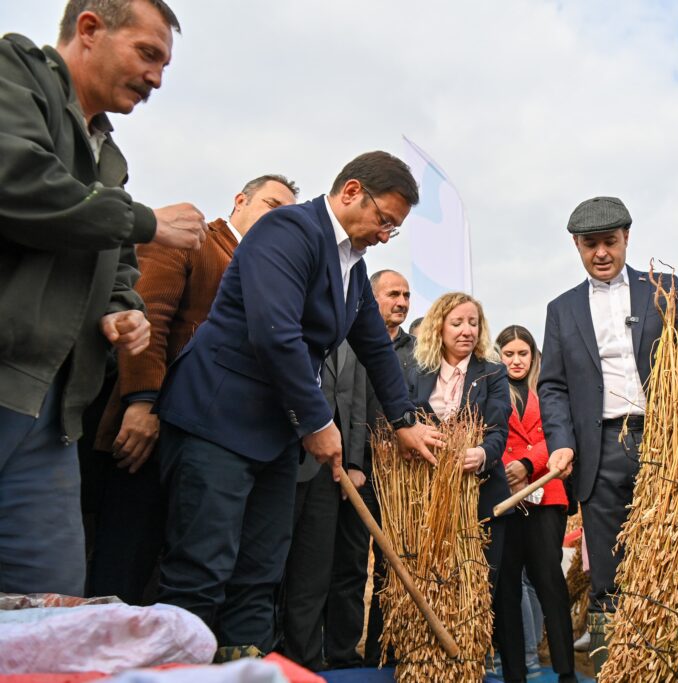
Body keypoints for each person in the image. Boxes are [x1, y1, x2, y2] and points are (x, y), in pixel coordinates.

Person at [154, 151, 442, 660]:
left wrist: (404, 422)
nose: (384, 234)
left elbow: (375, 346)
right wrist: (317, 420)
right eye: (384, 220)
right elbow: (275, 334)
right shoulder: (288, 231)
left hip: (272, 438)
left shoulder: (353, 267)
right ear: (352, 191)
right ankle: (179, 668)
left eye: (393, 229)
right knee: (201, 569)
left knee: (261, 572)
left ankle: (247, 667)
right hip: (218, 420)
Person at [0, 0, 209, 596]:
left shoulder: (108, 159)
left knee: (54, 602)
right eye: (148, 54)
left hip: (56, 411)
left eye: (165, 65)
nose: (156, 79)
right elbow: (16, 181)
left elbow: (117, 266)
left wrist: (126, 311)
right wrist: (147, 222)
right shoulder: (11, 73)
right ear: (89, 29)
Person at [84, 175, 298, 604]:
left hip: (214, 441)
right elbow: (150, 318)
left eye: (288, 214)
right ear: (240, 200)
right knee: (125, 558)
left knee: (184, 565)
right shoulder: (193, 241)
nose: (280, 219)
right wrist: (142, 401)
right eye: (272, 204)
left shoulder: (272, 272)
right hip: (156, 428)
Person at [537, 196, 678, 674]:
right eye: (590, 245)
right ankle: (614, 669)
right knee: (606, 570)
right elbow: (553, 385)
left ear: (627, 238)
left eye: (609, 242)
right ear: (576, 246)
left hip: (667, 444)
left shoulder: (664, 289)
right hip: (599, 448)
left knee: (672, 560)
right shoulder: (561, 309)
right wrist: (562, 440)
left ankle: (675, 665)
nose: (600, 253)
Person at [325, 269, 415, 669]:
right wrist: (353, 462)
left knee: (392, 566)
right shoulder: (350, 342)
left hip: (403, 476)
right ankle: (343, 653)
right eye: (392, 293)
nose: (401, 301)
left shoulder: (419, 351)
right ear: (371, 298)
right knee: (349, 563)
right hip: (357, 470)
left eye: (407, 295)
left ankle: (383, 652)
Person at [406, 293, 512, 591]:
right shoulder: (418, 371)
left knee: (479, 585)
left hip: (480, 495)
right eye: (457, 323)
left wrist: (480, 454)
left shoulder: (493, 371)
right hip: (427, 497)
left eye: (473, 323)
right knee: (434, 581)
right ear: (439, 327)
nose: (467, 330)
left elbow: (498, 430)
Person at [493, 325, 576, 683]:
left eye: (522, 354)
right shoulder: (490, 390)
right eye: (508, 354)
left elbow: (560, 432)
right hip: (506, 498)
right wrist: (507, 468)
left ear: (533, 356)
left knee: (550, 582)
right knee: (507, 586)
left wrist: (528, 463)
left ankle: (566, 670)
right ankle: (515, 672)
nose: (515, 361)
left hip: (546, 494)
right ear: (499, 355)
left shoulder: (550, 392)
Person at [279, 340, 365, 669]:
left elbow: (355, 404)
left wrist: (353, 462)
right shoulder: (291, 318)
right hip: (285, 458)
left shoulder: (351, 337)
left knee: (314, 570)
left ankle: (305, 657)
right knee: (271, 565)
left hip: (330, 469)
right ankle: (268, 650)